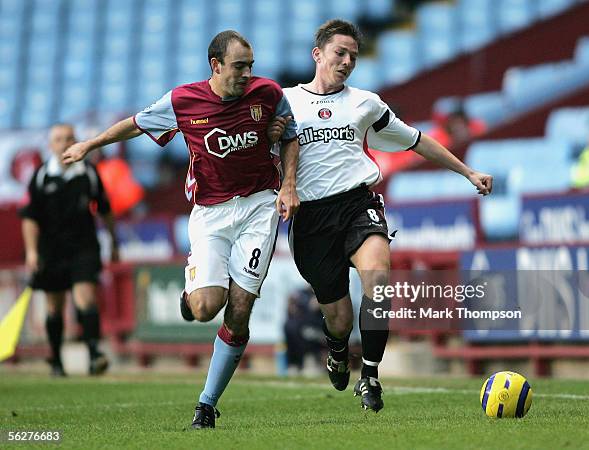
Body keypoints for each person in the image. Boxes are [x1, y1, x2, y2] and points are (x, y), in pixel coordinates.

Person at [62, 30, 299, 429]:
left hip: (260, 204)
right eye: (240, 66)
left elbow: (290, 135)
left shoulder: (269, 93)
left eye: (251, 66)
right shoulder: (183, 100)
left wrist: (288, 183)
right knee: (208, 307)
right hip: (210, 213)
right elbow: (135, 125)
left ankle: (206, 404)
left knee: (240, 311)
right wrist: (90, 145)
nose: (247, 74)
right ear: (216, 65)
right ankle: (190, 301)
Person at [280, 20, 493, 412]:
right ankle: (338, 349)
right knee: (339, 319)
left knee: (379, 279)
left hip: (358, 204)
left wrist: (468, 172)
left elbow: (416, 140)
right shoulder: (284, 102)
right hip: (311, 219)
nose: (346, 62)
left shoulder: (366, 103)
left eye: (353, 57)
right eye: (339, 53)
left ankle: (372, 376)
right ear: (318, 54)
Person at [20, 123, 118, 377]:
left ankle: (94, 354)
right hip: (51, 249)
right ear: (51, 145)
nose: (65, 143)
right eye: (60, 139)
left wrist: (114, 241)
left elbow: (105, 209)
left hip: (83, 246)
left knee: (85, 296)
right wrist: (31, 252)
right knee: (55, 306)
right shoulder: (41, 175)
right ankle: (56, 360)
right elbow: (30, 218)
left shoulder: (88, 172)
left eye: (70, 138)